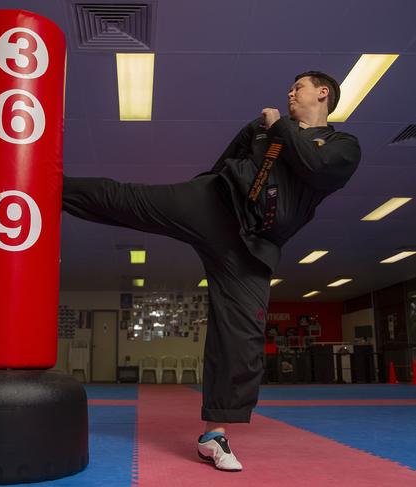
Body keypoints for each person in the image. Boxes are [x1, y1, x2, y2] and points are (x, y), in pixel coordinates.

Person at [61, 71, 361, 471]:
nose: (290, 91)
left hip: (252, 245)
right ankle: (48, 187)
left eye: (299, 87)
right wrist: (205, 188)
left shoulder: (343, 146)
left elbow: (313, 163)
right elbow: (226, 161)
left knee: (242, 335)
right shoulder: (261, 129)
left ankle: (214, 435)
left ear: (323, 93)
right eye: (289, 87)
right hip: (214, 206)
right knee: (129, 199)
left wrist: (279, 126)